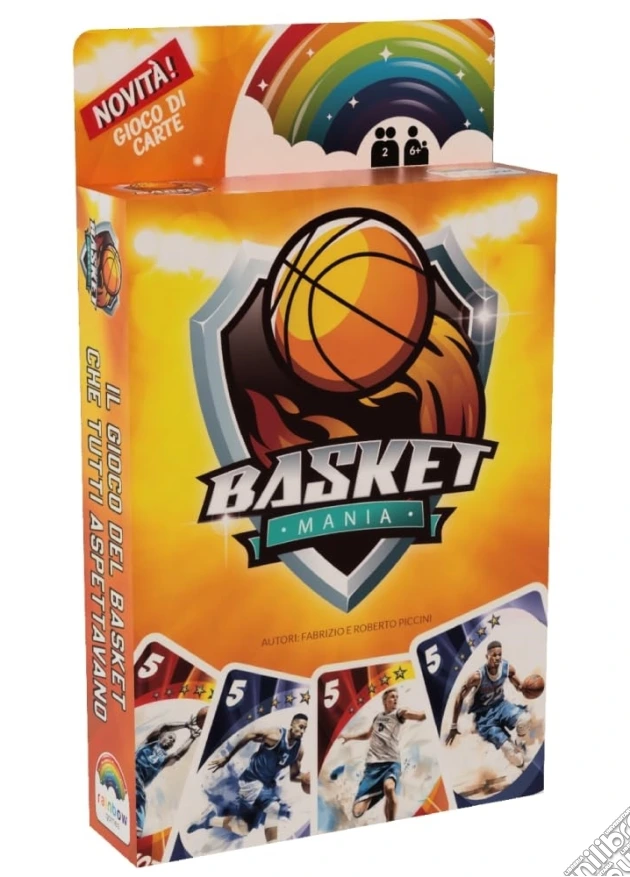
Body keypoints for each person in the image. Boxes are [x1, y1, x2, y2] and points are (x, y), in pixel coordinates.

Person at [188, 714, 310, 843]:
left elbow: (294, 776)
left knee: (242, 828)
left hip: (266, 785)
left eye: (305, 729)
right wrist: (227, 758)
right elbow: (250, 735)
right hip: (251, 780)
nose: (302, 731)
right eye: (300, 726)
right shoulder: (275, 735)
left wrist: (307, 778)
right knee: (273, 807)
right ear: (292, 724)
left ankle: (209, 820)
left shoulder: (298, 751)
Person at [339, 688, 425, 822]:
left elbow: (418, 715)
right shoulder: (378, 717)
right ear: (385, 700)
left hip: (392, 762)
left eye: (397, 697)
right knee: (357, 812)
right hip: (372, 765)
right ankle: (374, 792)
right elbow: (368, 735)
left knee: (389, 788)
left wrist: (422, 714)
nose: (395, 699)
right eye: (392, 697)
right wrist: (349, 737)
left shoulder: (399, 713)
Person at [446, 640, 534, 768]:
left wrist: (526, 689)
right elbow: (459, 697)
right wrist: (453, 725)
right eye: (494, 655)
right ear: (487, 656)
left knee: (525, 718)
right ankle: (523, 768)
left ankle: (519, 743)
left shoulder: (507, 668)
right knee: (511, 753)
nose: (497, 658)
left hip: (501, 706)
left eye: (499, 654)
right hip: (485, 718)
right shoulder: (477, 677)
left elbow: (519, 686)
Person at [135, 717, 201, 836]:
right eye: (170, 737)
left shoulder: (164, 759)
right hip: (131, 770)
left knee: (141, 800)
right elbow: (164, 726)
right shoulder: (150, 742)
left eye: (173, 742)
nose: (172, 741)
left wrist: (192, 738)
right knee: (140, 797)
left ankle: (137, 831)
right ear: (162, 736)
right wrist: (186, 724)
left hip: (138, 786)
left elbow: (177, 755)